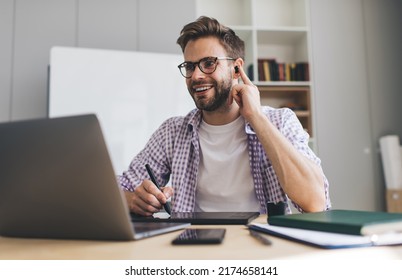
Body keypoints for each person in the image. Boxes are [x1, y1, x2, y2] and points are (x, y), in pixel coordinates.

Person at [118, 16, 331, 216]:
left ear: (236, 69)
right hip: (194, 246)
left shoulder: (280, 121)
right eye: (190, 66)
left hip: (263, 248)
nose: (197, 76)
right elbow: (119, 188)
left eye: (209, 63)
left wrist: (256, 117)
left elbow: (315, 202)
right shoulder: (172, 132)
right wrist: (132, 199)